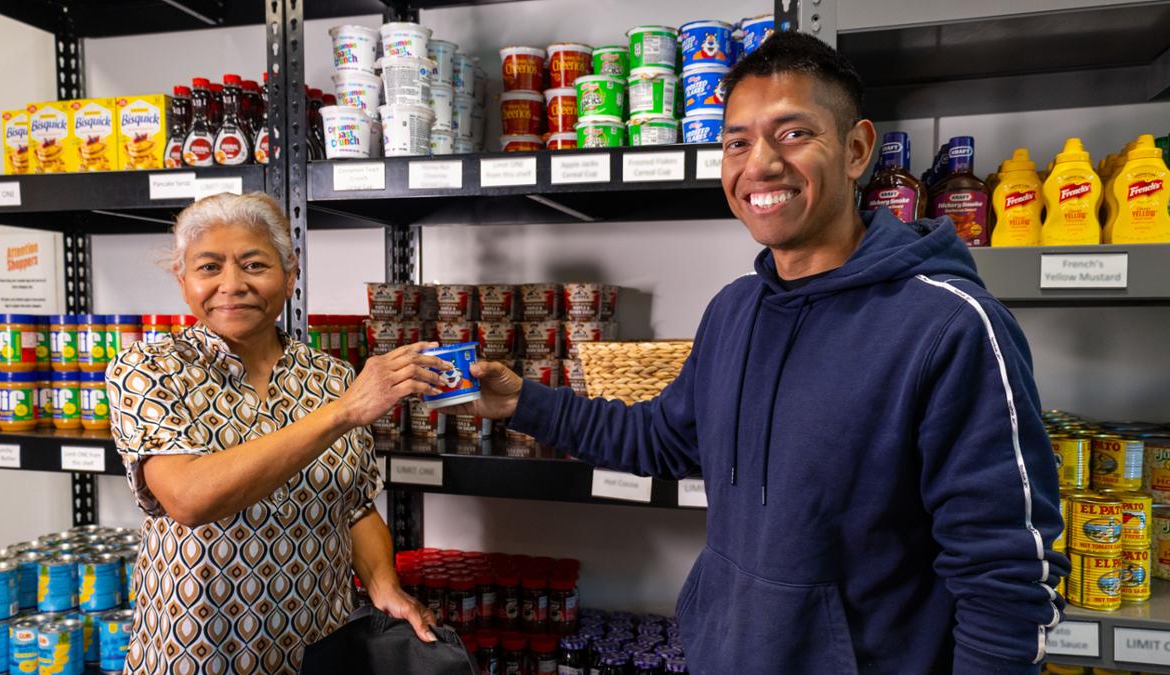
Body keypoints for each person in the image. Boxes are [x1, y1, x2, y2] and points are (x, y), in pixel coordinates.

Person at [453, 32, 1067, 674]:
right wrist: (525, 401)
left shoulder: (951, 327)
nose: (760, 164)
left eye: (793, 133)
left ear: (857, 149)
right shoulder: (734, 311)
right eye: (736, 142)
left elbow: (1006, 580)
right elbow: (662, 438)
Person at [106, 192, 450, 674]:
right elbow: (189, 497)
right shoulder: (149, 370)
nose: (233, 284)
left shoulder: (329, 376)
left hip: (319, 648)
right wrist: (340, 414)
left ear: (290, 277)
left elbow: (355, 505)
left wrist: (383, 584)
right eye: (209, 267)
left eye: (253, 264)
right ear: (182, 282)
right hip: (198, 651)